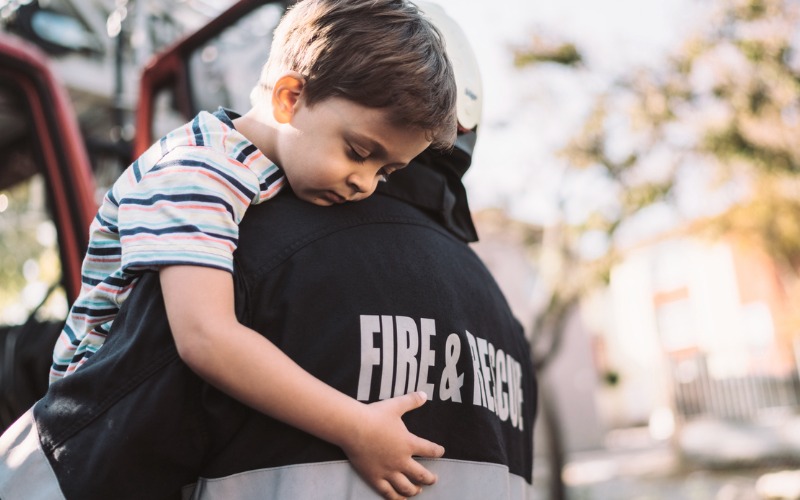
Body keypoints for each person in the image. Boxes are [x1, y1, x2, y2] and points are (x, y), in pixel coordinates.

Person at [0, 3, 536, 499]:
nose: (366, 185)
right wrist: (354, 426)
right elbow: (207, 337)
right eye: (359, 152)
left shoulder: (266, 172)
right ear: (288, 98)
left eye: (387, 171)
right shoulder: (196, 171)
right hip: (96, 439)